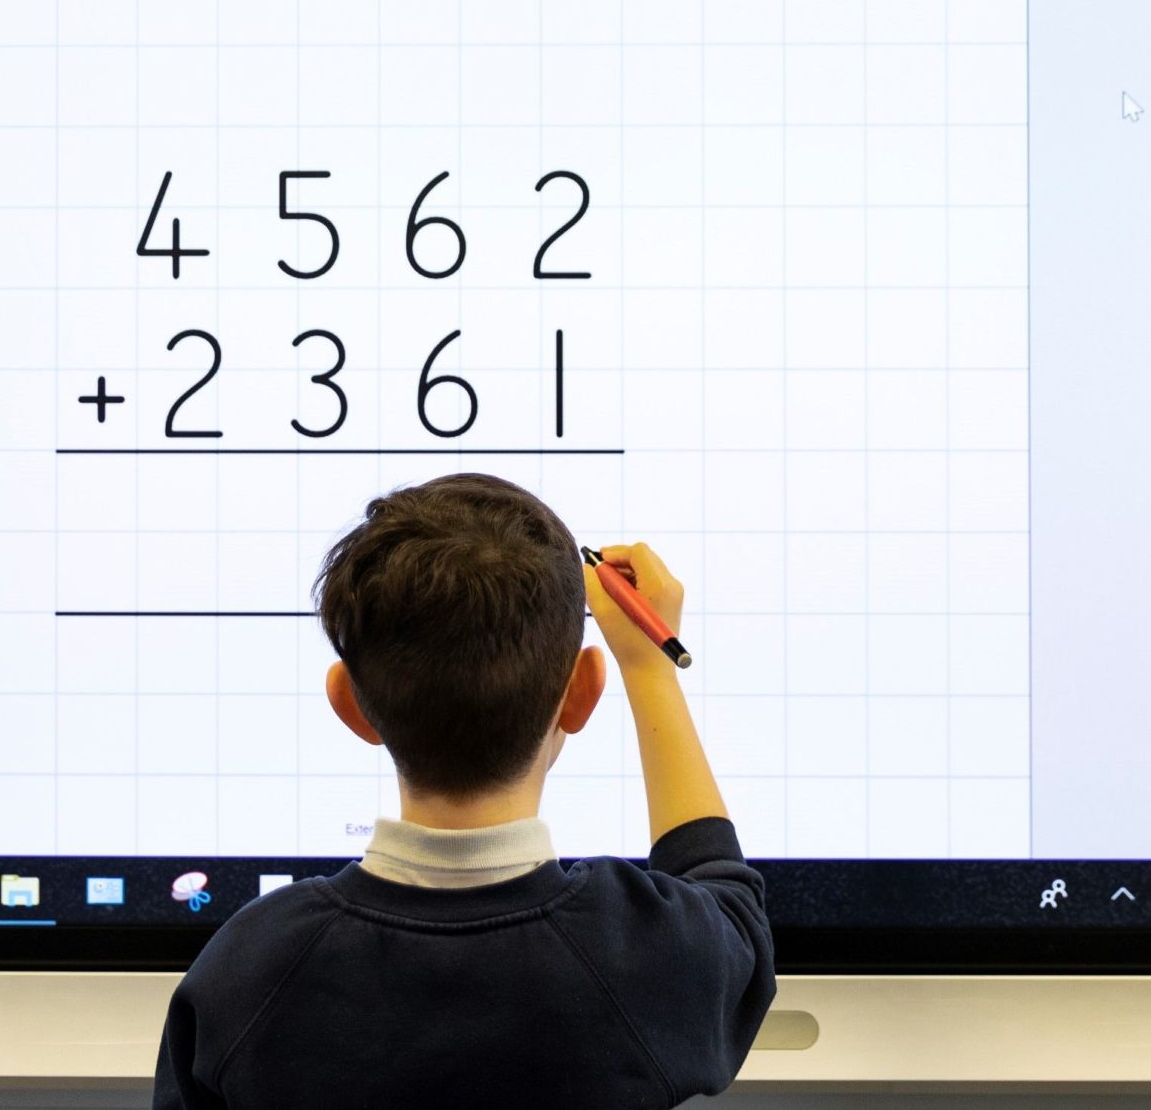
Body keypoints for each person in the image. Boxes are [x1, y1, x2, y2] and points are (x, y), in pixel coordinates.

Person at [153, 473, 775, 1109]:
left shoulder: (250, 966)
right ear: (582, 694)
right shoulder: (648, 955)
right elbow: (730, 903)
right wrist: (648, 668)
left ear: (350, 705)